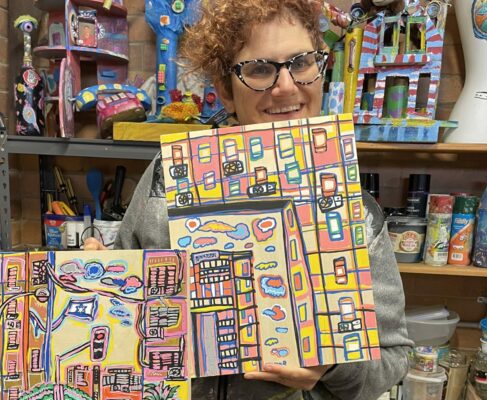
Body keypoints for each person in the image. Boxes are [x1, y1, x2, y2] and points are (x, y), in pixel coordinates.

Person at [85, 1, 413, 399]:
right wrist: (100, 277)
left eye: (302, 62)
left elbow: (394, 357)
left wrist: (335, 365)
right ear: (225, 89)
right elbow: (126, 304)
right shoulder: (168, 175)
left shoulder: (352, 210)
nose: (287, 86)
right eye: (259, 69)